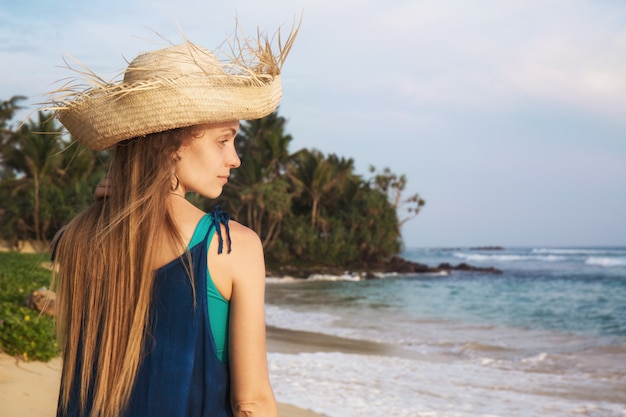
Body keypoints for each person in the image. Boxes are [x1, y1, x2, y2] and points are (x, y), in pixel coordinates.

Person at [49, 24, 298, 417]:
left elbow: (77, 232)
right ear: (172, 144)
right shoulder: (232, 246)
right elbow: (251, 402)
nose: (234, 158)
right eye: (223, 139)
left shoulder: (77, 238)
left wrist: (112, 192)